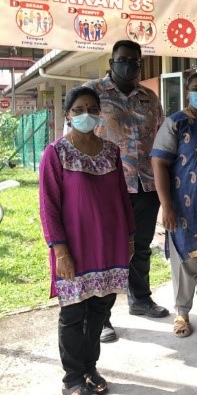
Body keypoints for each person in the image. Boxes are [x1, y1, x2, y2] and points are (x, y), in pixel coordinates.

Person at [39, 86, 135, 395]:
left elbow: (122, 196)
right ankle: (73, 379)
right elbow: (48, 205)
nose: (86, 114)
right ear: (68, 114)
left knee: (99, 310)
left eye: (92, 108)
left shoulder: (111, 151)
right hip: (75, 248)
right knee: (72, 314)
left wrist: (130, 236)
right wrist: (60, 250)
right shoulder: (56, 152)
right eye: (79, 109)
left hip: (109, 246)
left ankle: (90, 368)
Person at [83, 39, 167, 343]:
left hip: (146, 183)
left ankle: (140, 299)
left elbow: (160, 134)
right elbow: (79, 135)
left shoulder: (149, 96)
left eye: (135, 61)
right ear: (111, 62)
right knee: (107, 250)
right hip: (107, 184)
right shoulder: (92, 92)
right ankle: (102, 317)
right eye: (123, 60)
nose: (129, 65)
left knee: (141, 246)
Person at [151, 72, 197, 338]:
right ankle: (182, 312)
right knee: (186, 261)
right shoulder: (176, 123)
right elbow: (159, 162)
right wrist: (166, 206)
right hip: (185, 205)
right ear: (187, 92)